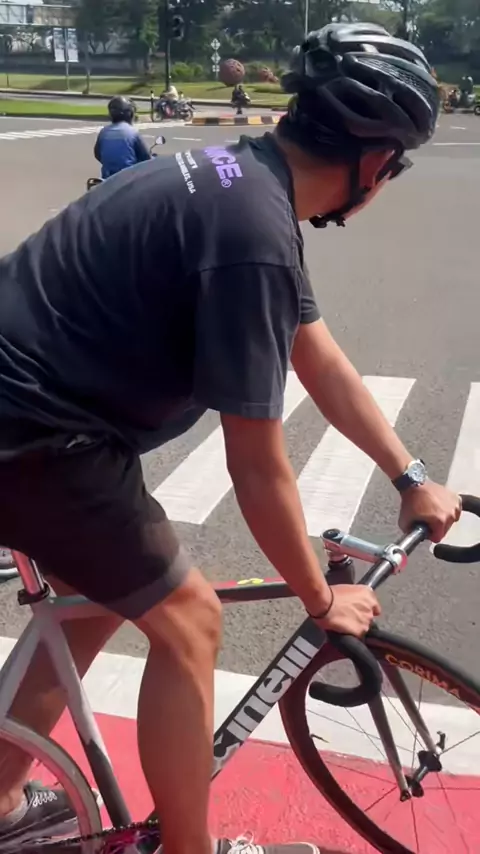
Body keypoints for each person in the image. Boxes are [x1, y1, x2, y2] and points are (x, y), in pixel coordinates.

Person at [0, 21, 461, 854]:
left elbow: (319, 357)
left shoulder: (244, 183)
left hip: (41, 415)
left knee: (92, 601)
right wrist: (320, 598)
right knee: (191, 621)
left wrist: (409, 473)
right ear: (373, 163)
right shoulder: (253, 233)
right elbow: (256, 464)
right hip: (35, 429)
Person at [94, 95, 152, 180]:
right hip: (128, 179)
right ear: (130, 114)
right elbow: (146, 157)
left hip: (107, 179)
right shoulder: (132, 132)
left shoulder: (104, 131)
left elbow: (98, 154)